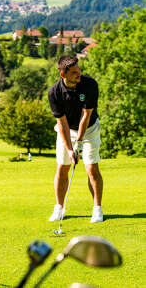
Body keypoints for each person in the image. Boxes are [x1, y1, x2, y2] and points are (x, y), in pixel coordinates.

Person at [47, 56, 103, 223]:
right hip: (66, 130)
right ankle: (59, 208)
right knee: (62, 167)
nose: (79, 74)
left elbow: (86, 115)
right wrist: (70, 149)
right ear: (63, 75)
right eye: (74, 73)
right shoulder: (54, 92)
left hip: (89, 129)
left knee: (91, 167)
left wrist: (78, 142)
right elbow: (61, 123)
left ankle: (97, 209)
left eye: (79, 70)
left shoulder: (90, 85)